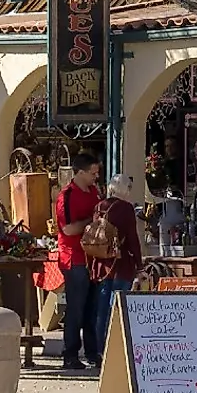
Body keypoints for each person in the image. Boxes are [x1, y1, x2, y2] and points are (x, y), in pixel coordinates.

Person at [51, 151, 106, 372]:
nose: (96, 176)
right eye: (92, 172)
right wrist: (92, 222)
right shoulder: (67, 196)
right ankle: (70, 354)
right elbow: (68, 228)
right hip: (74, 259)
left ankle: (93, 352)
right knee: (76, 308)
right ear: (80, 172)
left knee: (93, 307)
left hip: (93, 257)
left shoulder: (94, 191)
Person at [89, 172, 148, 353]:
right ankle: (113, 349)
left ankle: (100, 350)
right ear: (125, 189)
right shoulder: (126, 208)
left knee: (101, 310)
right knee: (117, 308)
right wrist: (140, 265)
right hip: (121, 265)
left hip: (102, 264)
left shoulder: (99, 206)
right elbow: (132, 239)